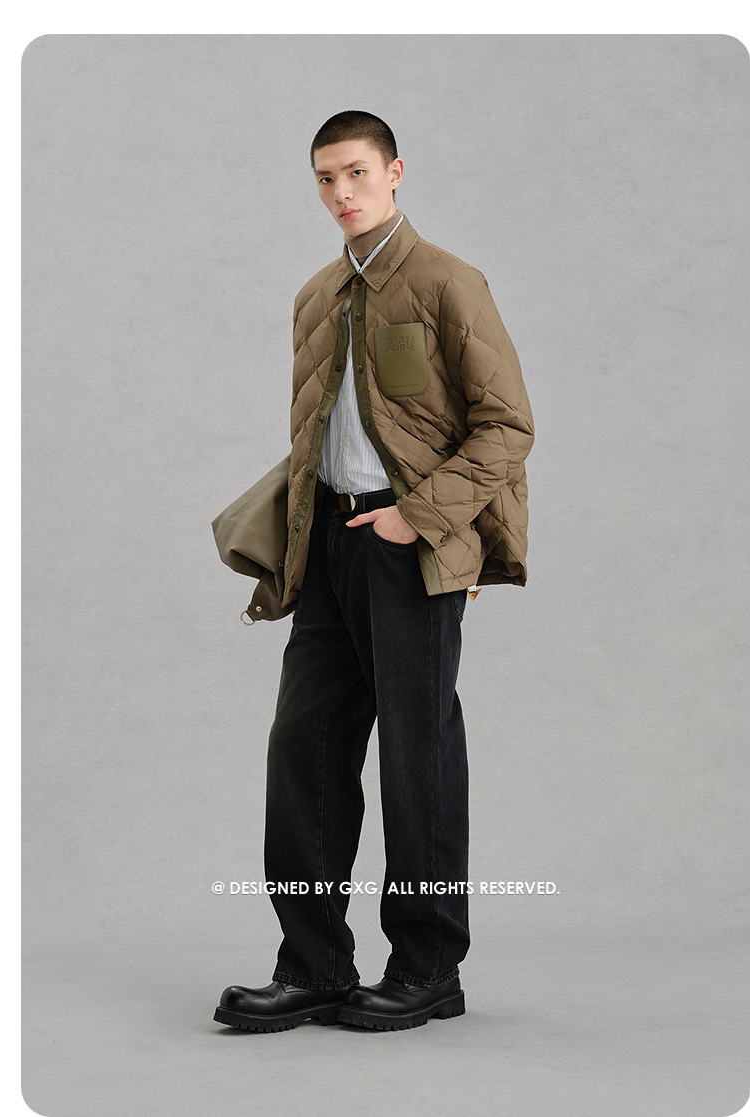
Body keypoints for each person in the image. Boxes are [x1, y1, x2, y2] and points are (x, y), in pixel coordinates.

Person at [214, 110, 534, 1033]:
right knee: (304, 749)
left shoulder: (447, 282)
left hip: (411, 547)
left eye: (356, 171)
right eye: (325, 177)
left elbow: (508, 425)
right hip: (328, 546)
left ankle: (429, 968)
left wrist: (415, 516)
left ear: (395, 171)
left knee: (416, 757)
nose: (340, 192)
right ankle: (312, 965)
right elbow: (317, 434)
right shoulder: (317, 295)